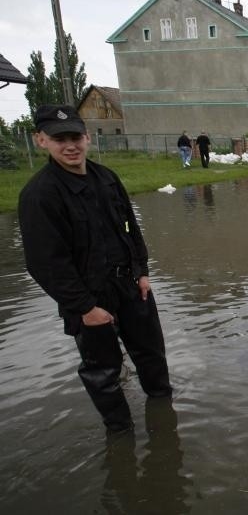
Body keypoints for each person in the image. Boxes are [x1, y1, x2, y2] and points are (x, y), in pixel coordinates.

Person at [18, 105, 172, 433]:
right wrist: (85, 308)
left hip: (131, 285)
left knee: (152, 354)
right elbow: (45, 264)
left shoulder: (107, 178)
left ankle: (163, 415)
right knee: (103, 372)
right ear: (41, 140)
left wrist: (142, 271)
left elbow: (131, 225)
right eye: (60, 139)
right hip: (88, 296)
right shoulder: (40, 195)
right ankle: (120, 433)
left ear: (87, 137)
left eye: (75, 136)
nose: (70, 145)